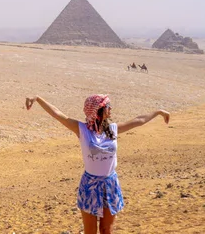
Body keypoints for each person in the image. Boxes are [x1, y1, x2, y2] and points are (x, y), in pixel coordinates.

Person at [25, 94, 170, 234]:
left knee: (107, 230)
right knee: (91, 231)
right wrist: (38, 99)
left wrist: (158, 112)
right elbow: (57, 114)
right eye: (108, 106)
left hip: (110, 184)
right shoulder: (81, 129)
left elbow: (139, 120)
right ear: (98, 110)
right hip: (90, 185)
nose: (111, 108)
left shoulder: (113, 129)